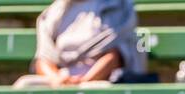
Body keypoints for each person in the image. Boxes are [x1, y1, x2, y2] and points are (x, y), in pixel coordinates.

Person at [12, 0, 145, 89]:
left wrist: (85, 80)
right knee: (24, 85)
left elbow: (114, 56)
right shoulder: (55, 11)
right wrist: (57, 79)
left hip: (100, 80)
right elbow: (43, 59)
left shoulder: (115, 4)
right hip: (60, 80)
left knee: (101, 90)